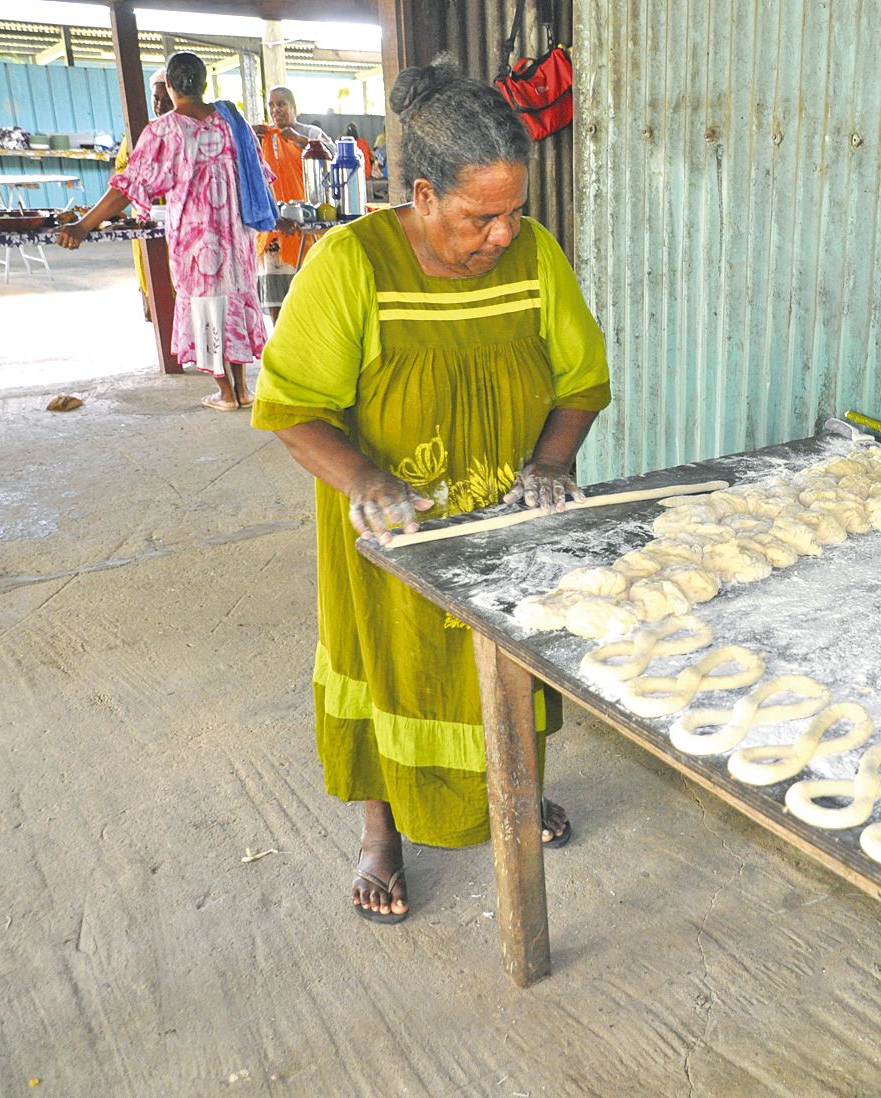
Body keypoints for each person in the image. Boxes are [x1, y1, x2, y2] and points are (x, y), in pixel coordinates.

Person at [251, 58, 610, 924]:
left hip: (505, 526)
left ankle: (513, 790)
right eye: (479, 216)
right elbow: (292, 407)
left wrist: (554, 463)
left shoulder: (534, 258)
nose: (502, 234)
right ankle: (383, 831)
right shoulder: (352, 264)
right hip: (395, 533)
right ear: (420, 195)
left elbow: (583, 378)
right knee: (394, 663)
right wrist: (368, 480)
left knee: (509, 664)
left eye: (514, 210)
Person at [58, 52, 266, 411]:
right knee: (233, 302)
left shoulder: (163, 130)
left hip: (196, 240)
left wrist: (82, 226)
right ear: (203, 85)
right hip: (237, 237)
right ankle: (244, 389)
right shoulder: (234, 124)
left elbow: (128, 187)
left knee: (205, 308)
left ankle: (226, 393)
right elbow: (260, 175)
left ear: (169, 86)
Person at [252, 86, 335, 319]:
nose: (276, 110)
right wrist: (250, 135)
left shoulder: (310, 132)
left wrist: (301, 141)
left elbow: (335, 156)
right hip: (274, 225)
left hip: (306, 222)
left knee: (307, 285)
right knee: (274, 289)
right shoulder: (262, 137)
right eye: (271, 105)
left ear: (293, 107)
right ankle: (278, 339)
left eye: (281, 104)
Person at [113, 69, 172, 319]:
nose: (159, 104)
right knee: (153, 279)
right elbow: (123, 175)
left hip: (178, 220)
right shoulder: (140, 133)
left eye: (165, 98)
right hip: (146, 215)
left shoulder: (183, 131)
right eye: (155, 99)